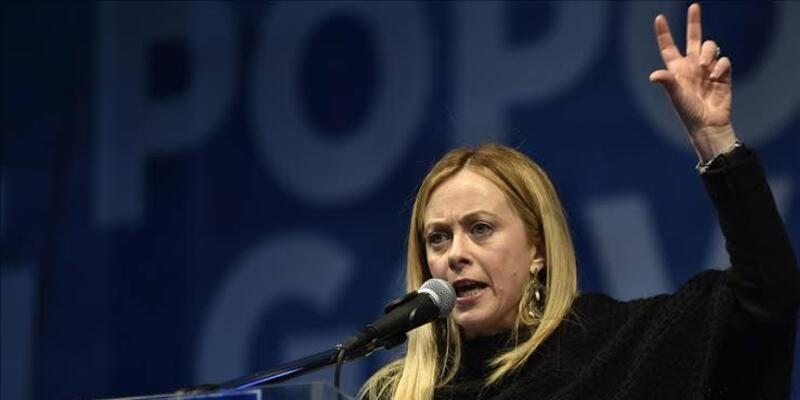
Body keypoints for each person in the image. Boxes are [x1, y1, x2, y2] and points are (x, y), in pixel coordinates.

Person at [359, 4, 799, 400]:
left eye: (480, 228)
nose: (456, 254)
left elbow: (765, 295)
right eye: (438, 237)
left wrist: (714, 140)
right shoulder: (393, 392)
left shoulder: (610, 350)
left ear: (538, 249)